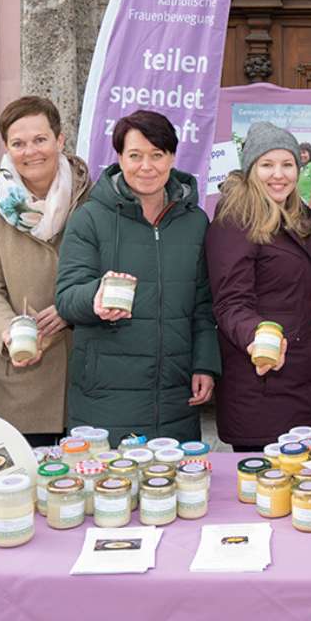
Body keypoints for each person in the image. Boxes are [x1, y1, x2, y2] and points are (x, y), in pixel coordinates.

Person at [55, 110, 220, 444]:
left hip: (175, 399)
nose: (147, 166)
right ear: (119, 158)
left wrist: (204, 364)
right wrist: (94, 298)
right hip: (106, 398)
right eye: (135, 155)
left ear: (172, 157)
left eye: (157, 155)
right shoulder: (90, 218)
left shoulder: (195, 222)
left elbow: (203, 305)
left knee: (172, 492)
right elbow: (67, 297)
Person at [0, 97, 90, 445]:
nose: (31, 151)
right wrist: (10, 332)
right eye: (18, 143)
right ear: (7, 148)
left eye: (40, 139)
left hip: (90, 376)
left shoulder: (94, 198)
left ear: (60, 140)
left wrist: (73, 309)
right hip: (23, 379)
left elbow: (113, 274)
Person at [206, 122, 311, 450]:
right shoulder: (234, 221)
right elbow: (230, 302)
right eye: (267, 165)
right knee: (264, 493)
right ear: (250, 170)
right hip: (260, 381)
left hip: (303, 379)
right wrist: (259, 336)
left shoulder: (302, 218)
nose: (279, 174)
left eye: (287, 165)